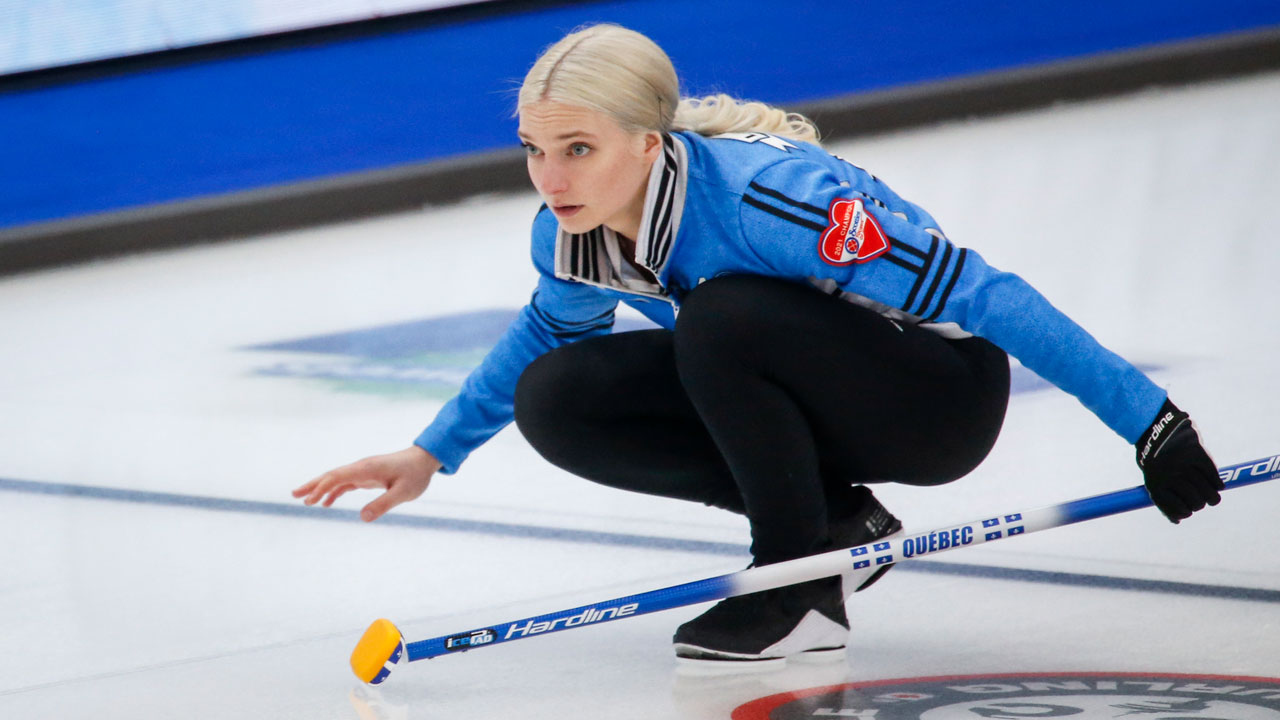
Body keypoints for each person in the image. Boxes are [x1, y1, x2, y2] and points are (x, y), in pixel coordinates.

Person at [293, 23, 1224, 667]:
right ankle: (837, 525)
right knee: (557, 390)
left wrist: (1152, 426)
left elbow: (988, 297)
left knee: (726, 315)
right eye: (534, 149)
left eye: (576, 149)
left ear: (649, 143)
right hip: (795, 382)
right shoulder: (569, 233)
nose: (550, 175)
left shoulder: (771, 204)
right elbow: (543, 333)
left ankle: (798, 591)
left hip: (933, 402)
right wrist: (429, 452)